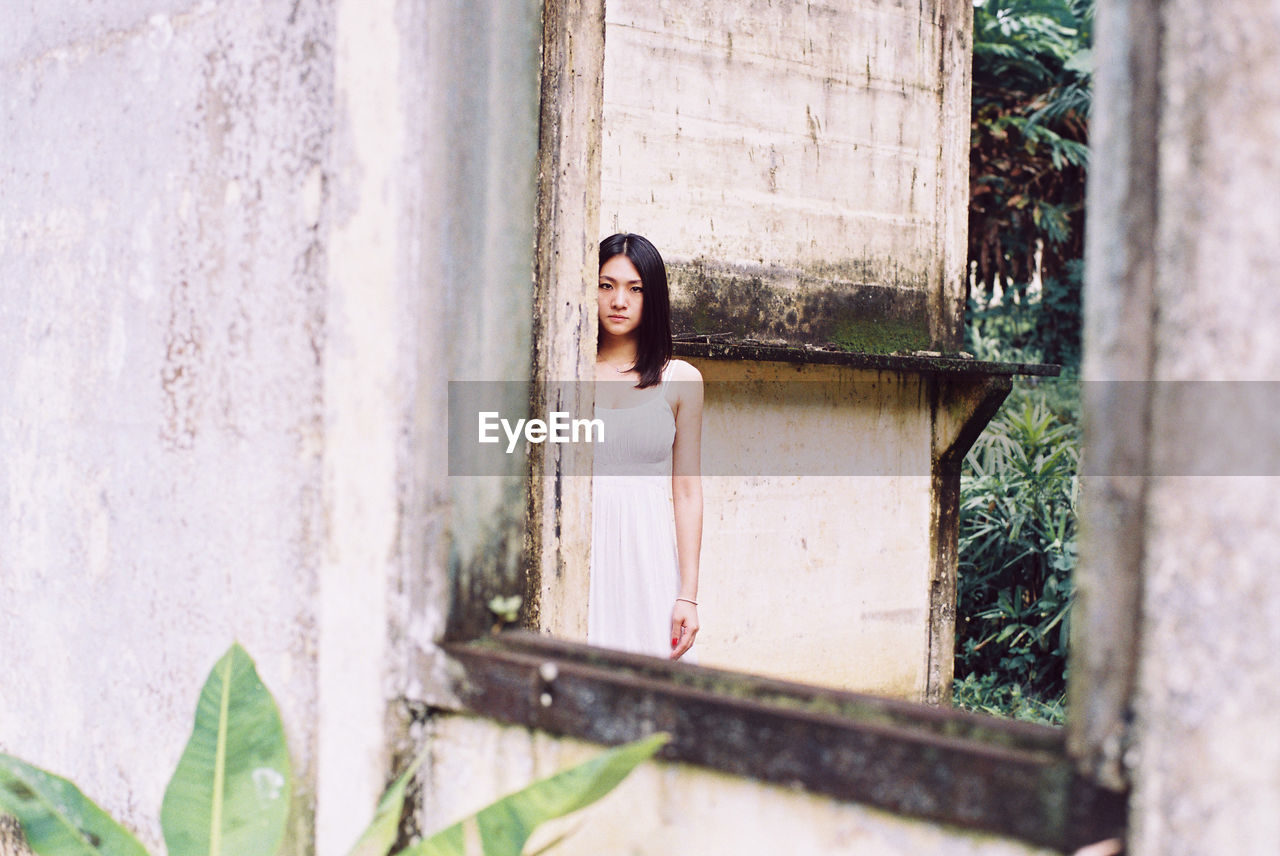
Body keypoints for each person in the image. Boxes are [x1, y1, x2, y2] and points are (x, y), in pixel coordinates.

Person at [588, 233, 703, 661]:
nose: (619, 300)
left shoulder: (681, 380)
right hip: (582, 552)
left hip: (648, 554)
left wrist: (687, 596)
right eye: (606, 285)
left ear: (651, 297)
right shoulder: (562, 371)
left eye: (635, 288)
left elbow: (688, 491)